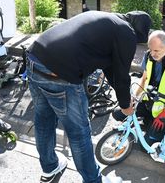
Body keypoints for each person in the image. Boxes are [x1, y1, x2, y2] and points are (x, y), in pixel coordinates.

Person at [26, 10, 151, 183]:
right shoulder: (127, 32)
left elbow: (109, 67)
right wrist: (125, 106)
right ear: (139, 31)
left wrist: (122, 95)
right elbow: (122, 74)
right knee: (79, 132)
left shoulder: (107, 19)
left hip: (34, 60)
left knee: (44, 121)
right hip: (62, 73)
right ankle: (93, 180)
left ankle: (50, 168)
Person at [113, 30, 165, 146]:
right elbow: (144, 79)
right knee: (118, 112)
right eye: (151, 49)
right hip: (149, 103)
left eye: (157, 50)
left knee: (148, 146)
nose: (152, 54)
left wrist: (164, 113)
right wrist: (134, 98)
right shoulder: (149, 55)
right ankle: (147, 122)